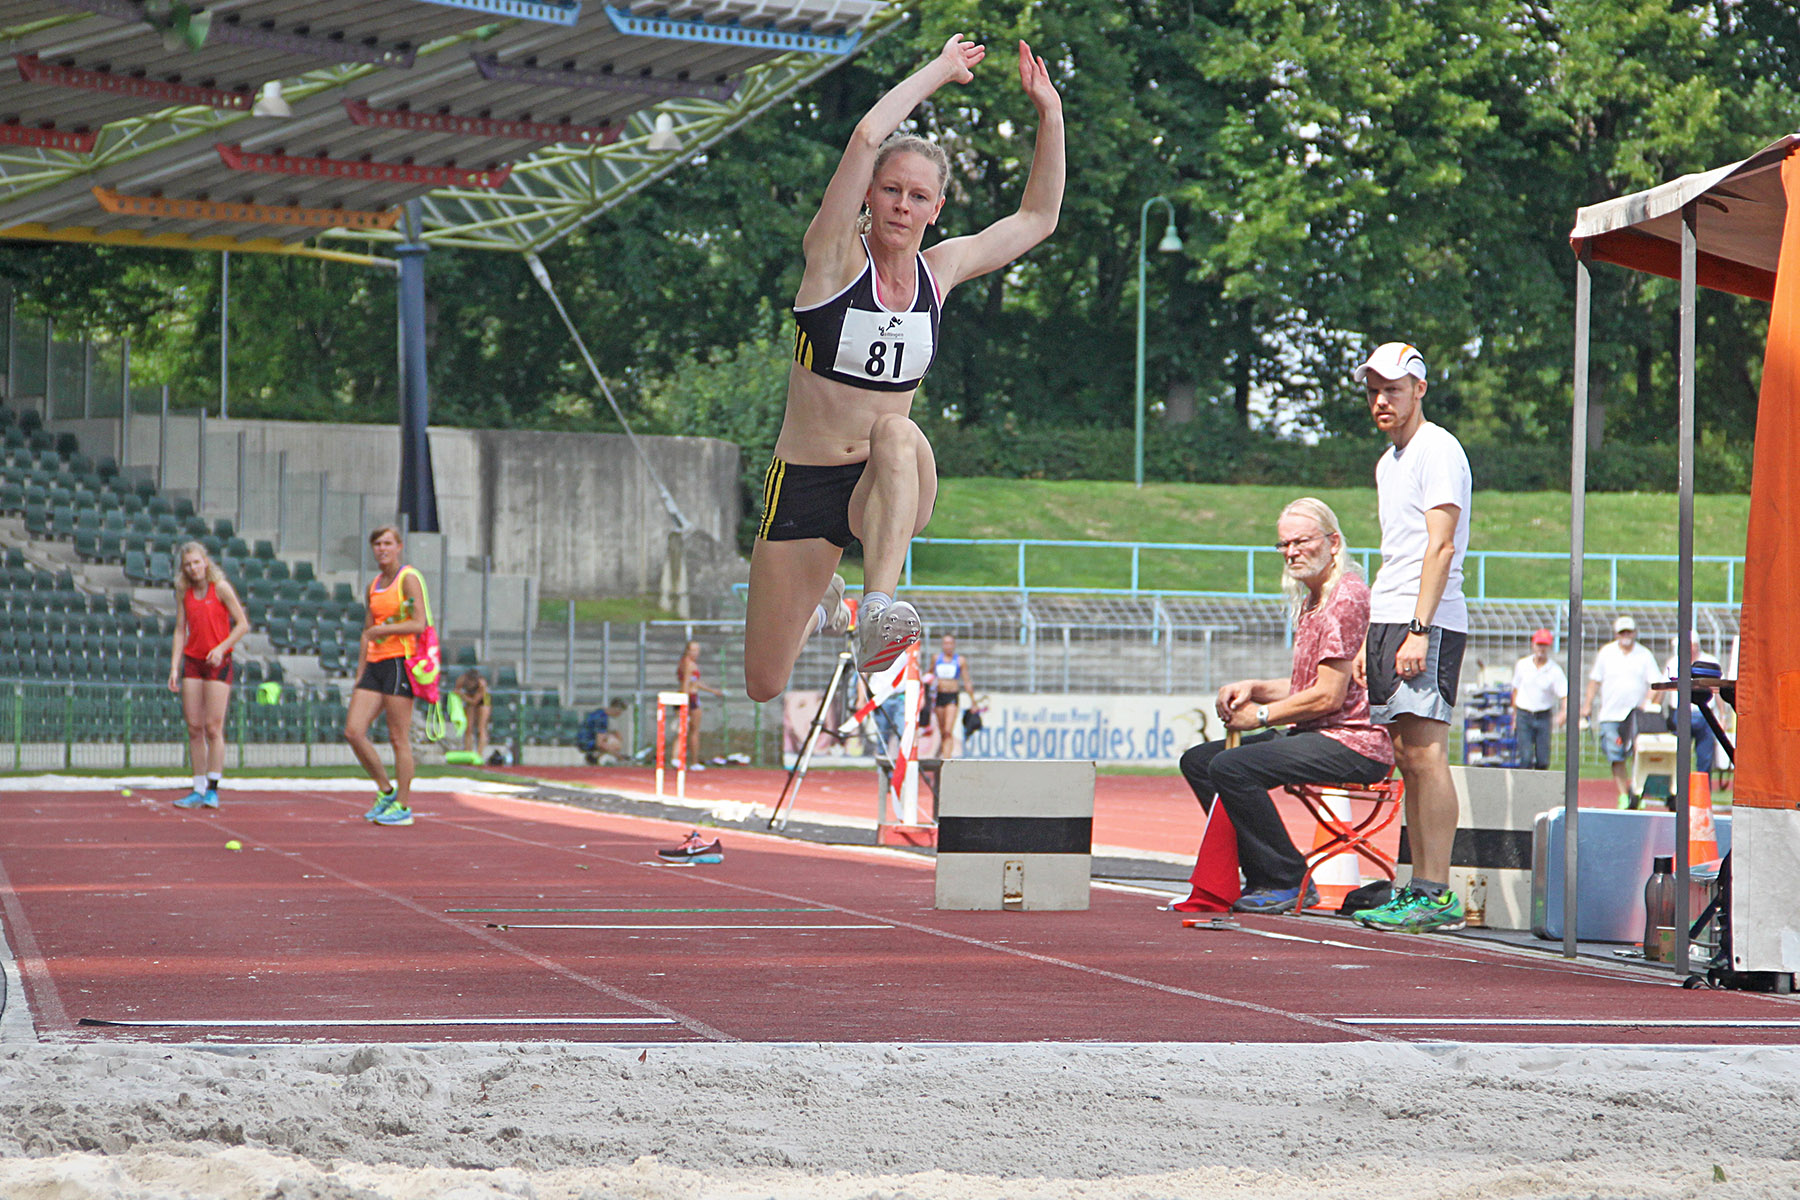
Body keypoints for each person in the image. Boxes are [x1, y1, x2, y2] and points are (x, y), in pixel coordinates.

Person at [741, 35, 1064, 701]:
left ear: (936, 209)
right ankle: (827, 604)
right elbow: (866, 136)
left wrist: (1050, 115)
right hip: (804, 482)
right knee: (764, 682)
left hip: (886, 485)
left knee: (895, 429)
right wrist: (941, 71)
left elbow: (1037, 217)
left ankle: (877, 609)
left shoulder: (940, 271)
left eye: (918, 196)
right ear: (870, 194)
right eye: (890, 190)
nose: (901, 206)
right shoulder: (833, 259)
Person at [1178, 499, 1394, 914]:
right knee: (1200, 762)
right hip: (1319, 732)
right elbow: (1308, 687)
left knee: (1232, 766)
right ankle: (1260, 873)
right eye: (1284, 545)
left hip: (1355, 741)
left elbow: (1328, 697)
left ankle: (1284, 877)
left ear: (1333, 542)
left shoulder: (1345, 598)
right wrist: (1255, 688)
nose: (1292, 552)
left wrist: (1260, 716)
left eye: (1301, 542)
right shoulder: (1314, 599)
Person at [1350, 343, 1473, 934]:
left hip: (1428, 618)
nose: (1381, 400)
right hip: (1390, 614)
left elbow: (1441, 546)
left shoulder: (1437, 448)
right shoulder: (1388, 462)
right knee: (1405, 757)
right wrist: (1368, 635)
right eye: (1374, 390)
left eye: (1393, 389)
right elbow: (1394, 551)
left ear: (1419, 390)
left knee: (1426, 755)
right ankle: (1418, 886)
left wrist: (1420, 629)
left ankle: (1436, 891)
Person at [346, 526, 427, 827]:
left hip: (399, 661)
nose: (382, 548)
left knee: (397, 737)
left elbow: (419, 623)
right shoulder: (374, 585)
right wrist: (360, 673)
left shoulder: (408, 578)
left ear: (399, 547)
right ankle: (386, 790)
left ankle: (403, 806)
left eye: (387, 543)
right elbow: (367, 631)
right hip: (375, 663)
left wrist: (385, 630)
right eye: (377, 544)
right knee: (353, 731)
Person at [166, 541, 250, 809]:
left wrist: (221, 647)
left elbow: (242, 624)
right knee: (194, 726)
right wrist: (174, 666)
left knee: (214, 727)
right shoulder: (184, 592)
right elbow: (180, 629)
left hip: (217, 662)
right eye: (188, 565)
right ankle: (198, 787)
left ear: (205, 562)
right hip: (193, 661)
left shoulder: (220, 588)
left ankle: (213, 788)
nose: (193, 568)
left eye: (196, 562)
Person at [1580, 615, 1661, 808]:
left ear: (1635, 633)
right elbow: (1595, 681)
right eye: (1622, 632)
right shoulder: (1606, 653)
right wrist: (1587, 705)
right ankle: (1623, 794)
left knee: (1638, 754)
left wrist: (1648, 703)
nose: (1626, 636)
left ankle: (1636, 792)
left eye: (1629, 632)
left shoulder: (1644, 655)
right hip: (1611, 714)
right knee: (1615, 754)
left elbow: (1656, 684)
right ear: (1616, 634)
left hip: (1636, 716)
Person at [1658, 631, 1721, 778]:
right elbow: (1663, 686)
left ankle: (1702, 787)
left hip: (1705, 714)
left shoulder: (1709, 661)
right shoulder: (1674, 662)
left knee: (1705, 758)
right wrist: (1654, 707)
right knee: (1679, 755)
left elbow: (1717, 689)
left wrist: (1722, 715)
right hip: (1680, 713)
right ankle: (1678, 785)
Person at [1510, 628, 1567, 770]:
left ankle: (1541, 782)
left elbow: (1564, 694)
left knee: (1543, 759)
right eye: (1539, 644)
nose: (1541, 648)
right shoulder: (1522, 665)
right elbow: (1515, 690)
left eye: (1544, 645)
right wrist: (1514, 715)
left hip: (1543, 716)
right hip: (1524, 714)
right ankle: (1525, 783)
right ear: (1533, 645)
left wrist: (1563, 712)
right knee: (1526, 757)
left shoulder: (1554, 670)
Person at [677, 640, 724, 769]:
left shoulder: (685, 663)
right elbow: (686, 683)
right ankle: (693, 761)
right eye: (693, 650)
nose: (696, 653)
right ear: (687, 651)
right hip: (690, 698)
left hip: (688, 697)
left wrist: (712, 690)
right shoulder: (689, 664)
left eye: (697, 650)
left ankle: (678, 759)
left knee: (684, 730)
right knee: (693, 731)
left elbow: (695, 682)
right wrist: (684, 701)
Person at [930, 634, 971, 757]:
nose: (948, 646)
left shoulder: (959, 660)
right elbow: (930, 673)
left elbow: (966, 680)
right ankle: (942, 752)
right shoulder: (936, 658)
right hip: (940, 696)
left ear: (954, 645)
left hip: (952, 696)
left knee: (948, 730)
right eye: (945, 643)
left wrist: (973, 701)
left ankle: (947, 757)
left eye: (950, 643)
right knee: (942, 730)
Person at [578, 697, 629, 766]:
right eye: (620, 712)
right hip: (586, 742)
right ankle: (593, 757)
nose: (620, 714)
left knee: (614, 737)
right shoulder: (602, 719)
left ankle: (594, 756)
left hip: (583, 739)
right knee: (615, 742)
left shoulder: (600, 712)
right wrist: (618, 756)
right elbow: (599, 743)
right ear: (617, 709)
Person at [455, 667, 491, 761]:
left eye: (472, 682)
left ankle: (479, 754)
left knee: (481, 727)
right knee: (468, 727)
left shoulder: (481, 685)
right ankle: (468, 752)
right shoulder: (462, 679)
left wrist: (462, 695)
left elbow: (474, 701)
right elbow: (456, 690)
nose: (470, 684)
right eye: (469, 682)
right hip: (469, 698)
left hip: (482, 701)